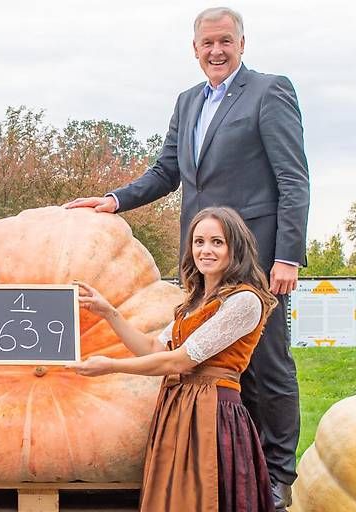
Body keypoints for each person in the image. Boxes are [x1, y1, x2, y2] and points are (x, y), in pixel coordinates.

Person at [62, 7, 309, 509]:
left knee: (266, 363)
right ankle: (235, 465)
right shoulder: (188, 101)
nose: (216, 51)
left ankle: (279, 472)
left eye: (225, 41)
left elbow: (293, 178)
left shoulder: (269, 91)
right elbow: (167, 170)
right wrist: (113, 200)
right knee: (209, 359)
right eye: (207, 43)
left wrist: (288, 256)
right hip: (201, 255)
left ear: (242, 42)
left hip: (255, 255)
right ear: (194, 48)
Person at [69, 207, 277, 512]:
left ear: (236, 247)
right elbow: (154, 349)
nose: (205, 250)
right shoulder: (192, 305)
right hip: (179, 407)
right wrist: (109, 313)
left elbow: (179, 361)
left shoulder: (244, 301)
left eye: (217, 242)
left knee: (206, 497)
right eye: (199, 242)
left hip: (213, 412)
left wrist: (110, 366)